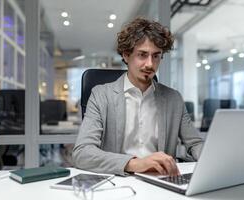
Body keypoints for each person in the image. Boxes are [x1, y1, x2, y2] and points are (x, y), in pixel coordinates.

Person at [72, 17, 203, 176]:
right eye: (142, 55)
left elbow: (195, 143)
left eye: (156, 56)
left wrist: (216, 159)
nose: (150, 64)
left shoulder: (173, 98)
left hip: (162, 182)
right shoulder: (101, 95)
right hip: (118, 182)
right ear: (126, 55)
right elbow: (82, 153)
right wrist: (135, 163)